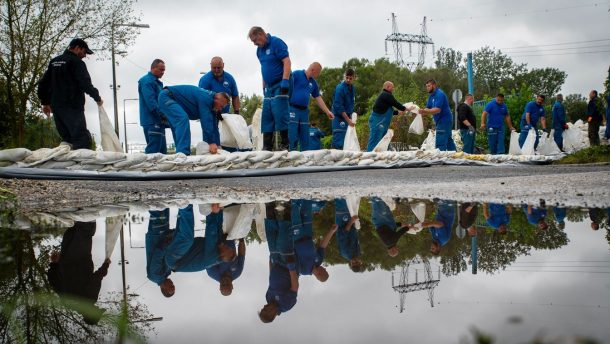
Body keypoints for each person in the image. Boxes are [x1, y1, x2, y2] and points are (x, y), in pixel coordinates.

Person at [37, 38, 103, 150]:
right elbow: (85, 83)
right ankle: (81, 166)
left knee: (67, 140)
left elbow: (43, 83)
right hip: (72, 107)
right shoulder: (77, 63)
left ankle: (67, 166)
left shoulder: (54, 61)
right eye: (84, 52)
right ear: (77, 48)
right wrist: (97, 98)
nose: (84, 55)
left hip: (56, 107)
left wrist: (45, 103)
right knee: (81, 139)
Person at [47, 221, 110, 324]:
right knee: (72, 228)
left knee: (85, 228)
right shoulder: (68, 303)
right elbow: (53, 281)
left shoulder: (90, 300)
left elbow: (96, 279)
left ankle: (86, 207)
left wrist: (106, 265)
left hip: (81, 258)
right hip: (65, 259)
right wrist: (54, 264)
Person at [248, 26, 291, 151]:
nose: (254, 44)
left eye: (255, 40)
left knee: (280, 112)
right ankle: (267, 146)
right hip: (269, 86)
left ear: (261, 34)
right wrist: (263, 86)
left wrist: (285, 81)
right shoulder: (259, 51)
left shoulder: (276, 43)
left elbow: (287, 62)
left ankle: (285, 145)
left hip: (280, 83)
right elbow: (264, 69)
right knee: (266, 114)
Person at [157, 85, 229, 155]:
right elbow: (206, 122)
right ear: (216, 98)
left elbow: (214, 127)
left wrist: (218, 145)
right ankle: (183, 154)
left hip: (173, 100)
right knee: (182, 119)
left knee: (179, 124)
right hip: (167, 97)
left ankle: (180, 153)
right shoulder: (206, 98)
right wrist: (211, 142)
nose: (220, 109)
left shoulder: (213, 106)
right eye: (221, 106)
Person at [259, 201, 298, 323]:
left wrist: (270, 263)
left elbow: (271, 282)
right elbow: (295, 287)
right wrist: (292, 269)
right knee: (284, 237)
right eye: (265, 310)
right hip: (287, 265)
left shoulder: (268, 298)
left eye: (262, 308)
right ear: (273, 314)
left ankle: (269, 205)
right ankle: (287, 206)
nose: (264, 306)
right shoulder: (286, 305)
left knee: (271, 234)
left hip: (275, 261)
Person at [288, 62, 334, 151]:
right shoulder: (297, 74)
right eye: (318, 73)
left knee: (305, 136)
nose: (318, 75)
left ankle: (304, 158)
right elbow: (286, 84)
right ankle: (291, 155)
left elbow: (318, 97)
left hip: (304, 111)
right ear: (313, 70)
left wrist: (327, 111)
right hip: (292, 109)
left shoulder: (313, 83)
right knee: (292, 135)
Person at [291, 199, 336, 281]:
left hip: (297, 237)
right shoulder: (319, 261)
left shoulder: (303, 270)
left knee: (294, 209)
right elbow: (322, 246)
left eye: (324, 271)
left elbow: (292, 258)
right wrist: (331, 231)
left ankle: (289, 194)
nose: (325, 269)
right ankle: (304, 192)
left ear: (319, 274)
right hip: (308, 234)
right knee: (307, 205)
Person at [410, 79, 456, 151]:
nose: (427, 88)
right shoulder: (431, 96)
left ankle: (440, 159)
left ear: (434, 85)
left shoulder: (440, 94)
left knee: (440, 141)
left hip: (444, 120)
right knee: (448, 140)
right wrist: (418, 112)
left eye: (429, 86)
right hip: (440, 121)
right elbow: (427, 108)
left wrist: (424, 111)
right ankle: (454, 156)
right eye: (426, 86)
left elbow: (437, 110)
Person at [138, 59, 168, 154]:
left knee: (162, 152)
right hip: (152, 121)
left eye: (164, 70)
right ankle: (148, 168)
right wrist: (163, 115)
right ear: (153, 68)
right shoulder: (147, 81)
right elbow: (151, 103)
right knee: (153, 152)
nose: (162, 72)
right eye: (160, 69)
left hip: (158, 121)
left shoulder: (156, 82)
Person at [366, 81, 407, 151]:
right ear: (387, 87)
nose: (393, 89)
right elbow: (396, 103)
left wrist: (398, 112)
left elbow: (388, 111)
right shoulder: (386, 95)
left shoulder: (386, 97)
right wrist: (406, 108)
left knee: (382, 142)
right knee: (375, 141)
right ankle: (370, 156)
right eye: (392, 87)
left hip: (382, 124)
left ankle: (380, 158)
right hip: (377, 122)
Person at [331, 68, 356, 149]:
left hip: (348, 116)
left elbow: (351, 103)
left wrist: (352, 116)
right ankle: (335, 158)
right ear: (344, 76)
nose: (348, 80)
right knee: (339, 140)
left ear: (354, 78)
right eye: (347, 77)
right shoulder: (340, 88)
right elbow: (339, 106)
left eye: (350, 78)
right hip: (339, 117)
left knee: (347, 140)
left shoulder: (352, 88)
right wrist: (348, 120)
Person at [334, 198, 362, 272]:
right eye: (357, 262)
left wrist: (351, 221)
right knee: (350, 199)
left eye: (354, 263)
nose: (355, 261)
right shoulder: (358, 252)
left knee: (341, 198)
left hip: (342, 221)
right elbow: (355, 237)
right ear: (360, 262)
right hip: (351, 222)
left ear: (350, 263)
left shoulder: (345, 252)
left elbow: (342, 234)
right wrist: (355, 225)